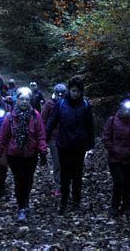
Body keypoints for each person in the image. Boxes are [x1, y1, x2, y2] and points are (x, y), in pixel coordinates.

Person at [0, 87, 48, 222]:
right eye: (21, 99)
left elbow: (40, 135)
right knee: (19, 181)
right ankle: (21, 207)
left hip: (31, 154)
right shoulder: (10, 117)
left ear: (30, 100)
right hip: (14, 154)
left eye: (27, 99)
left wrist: (43, 152)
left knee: (28, 180)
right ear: (16, 100)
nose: (24, 102)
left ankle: (26, 198)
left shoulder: (35, 116)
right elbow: (3, 137)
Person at [46, 76, 95, 215]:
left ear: (81, 92)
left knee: (77, 174)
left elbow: (90, 125)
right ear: (69, 90)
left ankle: (76, 201)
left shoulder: (85, 105)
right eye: (73, 90)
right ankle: (64, 201)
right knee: (65, 174)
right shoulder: (61, 104)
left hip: (79, 145)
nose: (75, 94)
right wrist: (44, 138)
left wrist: (91, 145)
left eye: (78, 91)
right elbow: (52, 122)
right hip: (64, 144)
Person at [102, 97, 130, 217]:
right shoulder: (112, 120)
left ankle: (126, 207)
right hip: (115, 158)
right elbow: (106, 137)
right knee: (119, 181)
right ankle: (114, 206)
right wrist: (113, 149)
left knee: (128, 184)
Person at [41, 83, 67, 196]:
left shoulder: (69, 103)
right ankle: (59, 187)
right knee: (57, 163)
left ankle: (66, 184)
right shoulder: (49, 104)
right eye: (58, 94)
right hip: (54, 138)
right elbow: (43, 121)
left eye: (62, 94)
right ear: (54, 93)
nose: (60, 96)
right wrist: (44, 138)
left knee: (66, 162)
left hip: (68, 138)